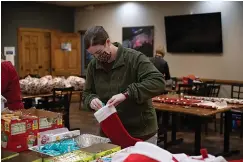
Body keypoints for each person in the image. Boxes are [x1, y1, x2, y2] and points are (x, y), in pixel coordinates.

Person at [83, 26, 165, 144]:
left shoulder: (134, 58)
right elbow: (86, 94)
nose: (97, 57)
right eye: (92, 54)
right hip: (110, 132)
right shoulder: (93, 66)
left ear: (108, 42)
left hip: (141, 132)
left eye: (99, 52)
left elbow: (158, 81)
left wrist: (127, 94)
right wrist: (91, 100)